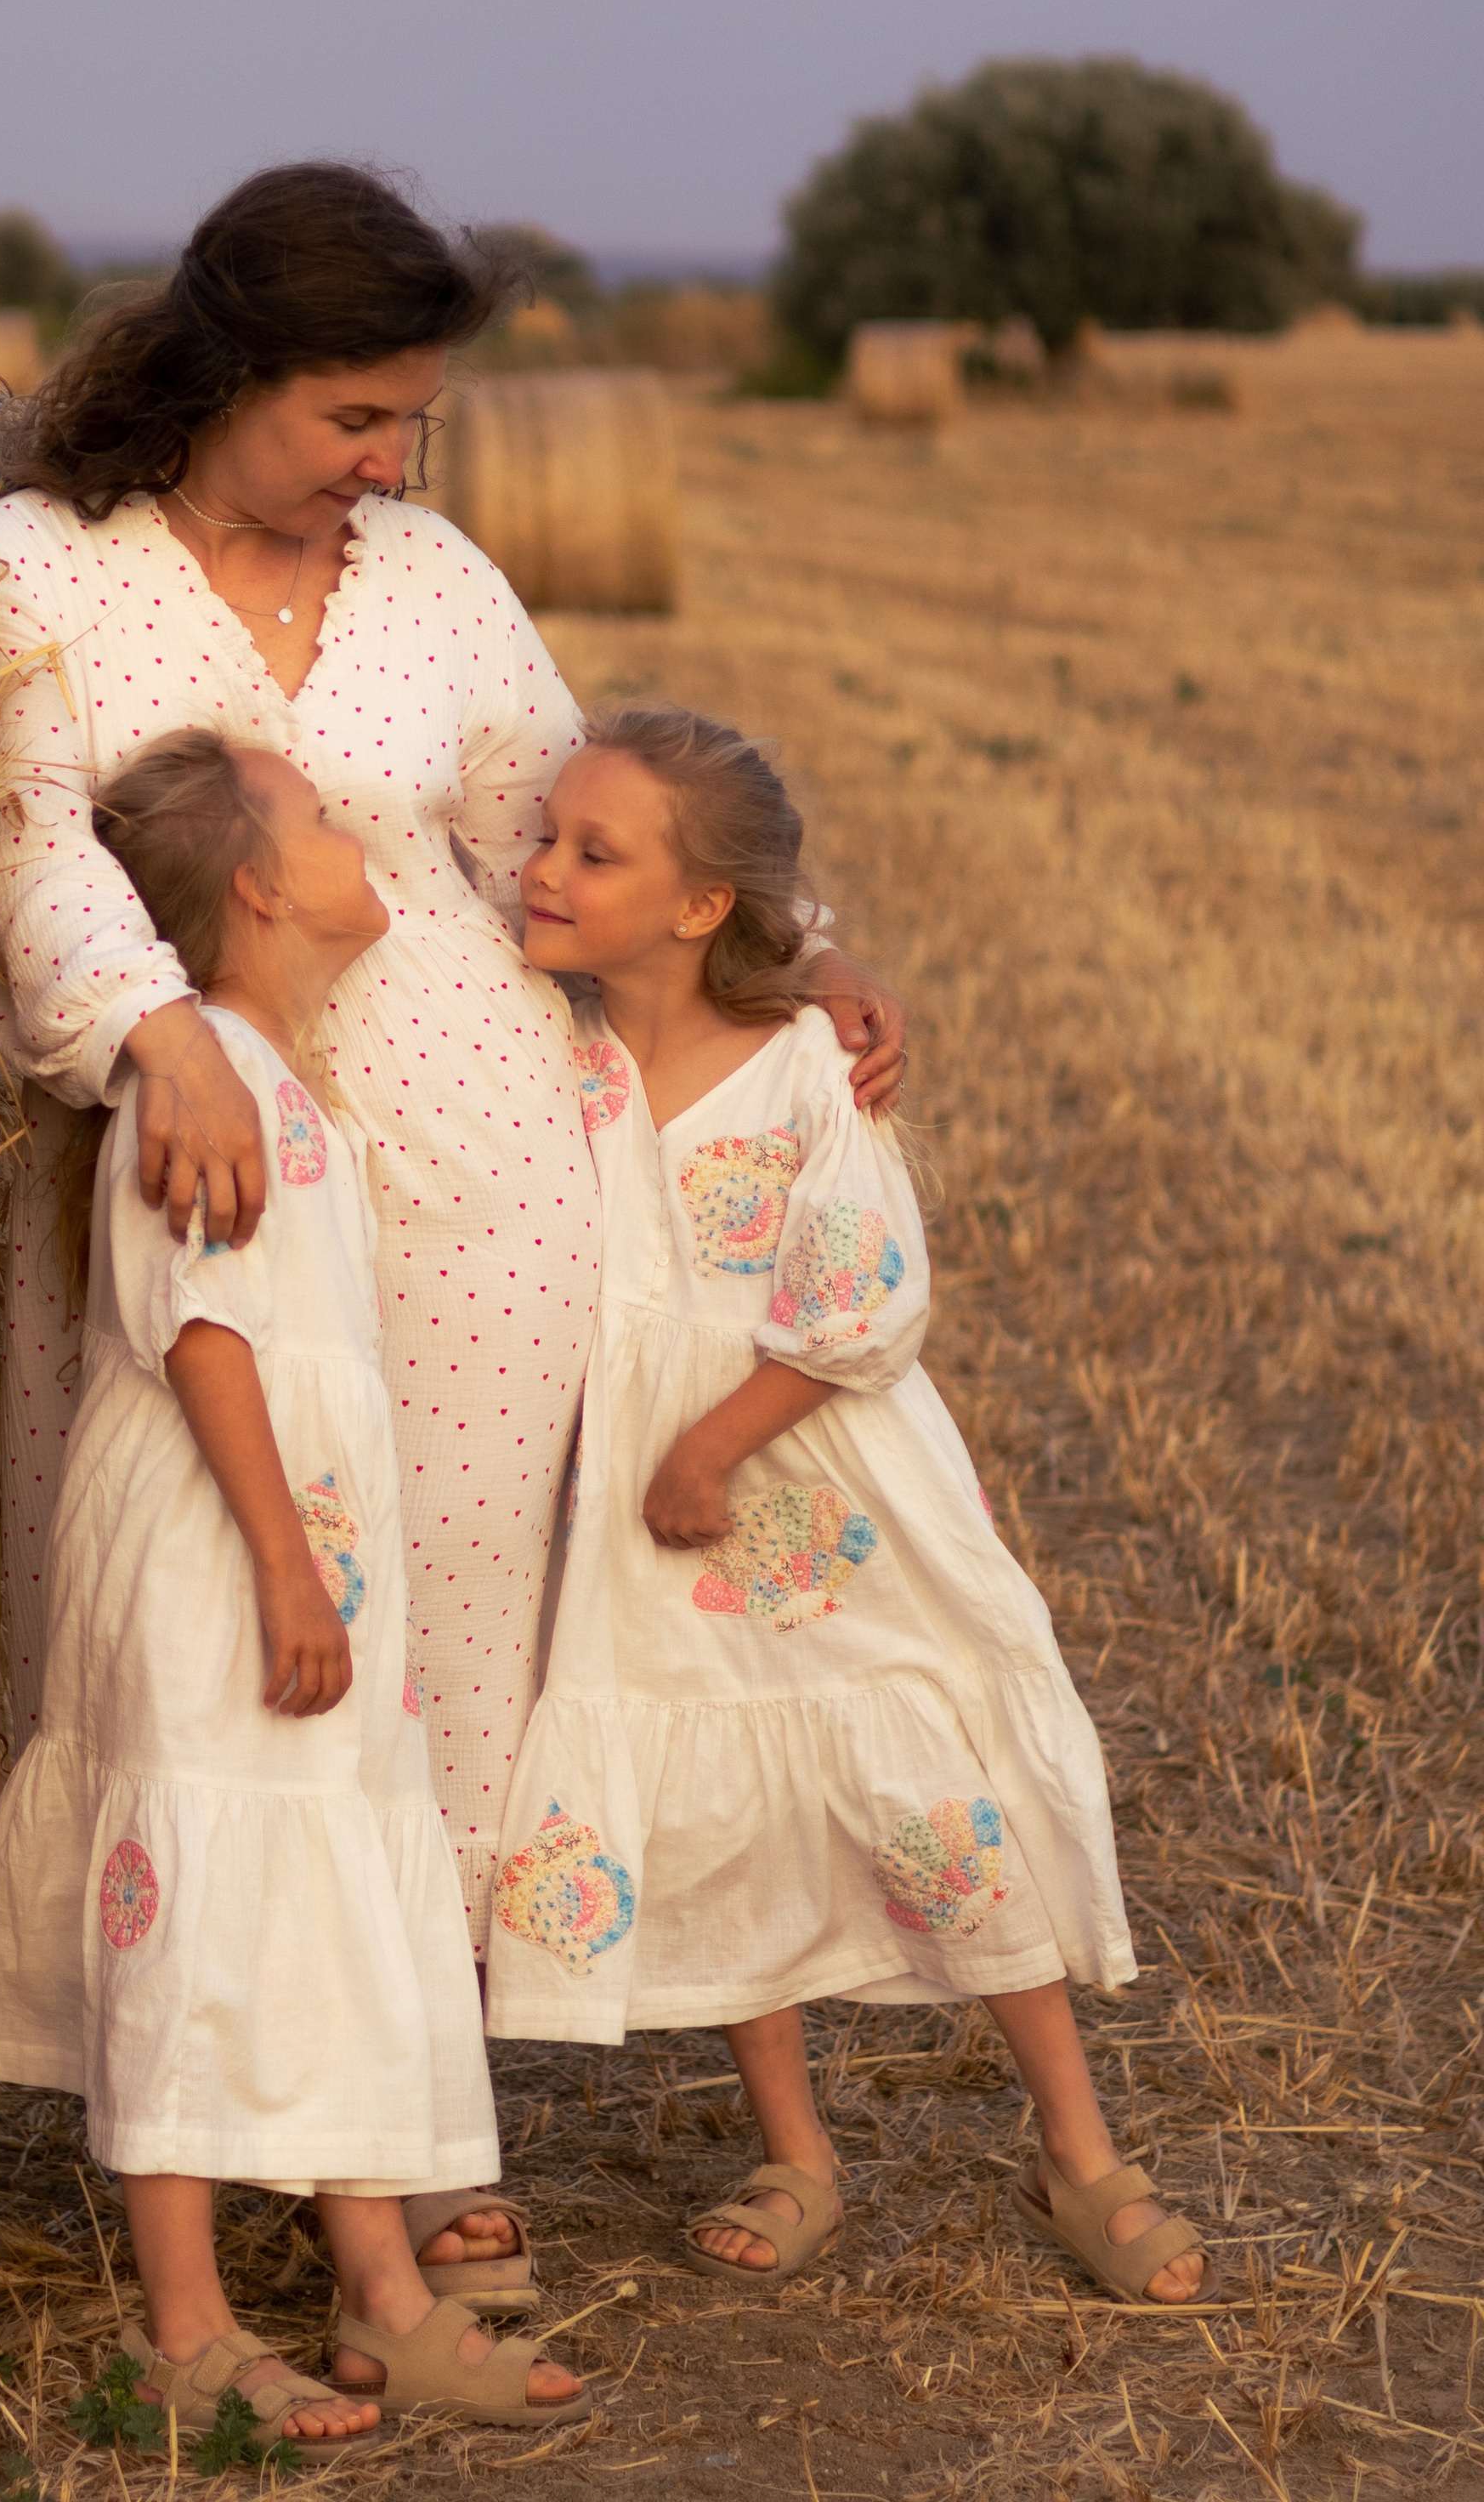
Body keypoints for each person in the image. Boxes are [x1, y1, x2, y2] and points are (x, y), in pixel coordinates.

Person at [0, 157, 903, 2296]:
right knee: (223, 1646)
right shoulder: (46, 563)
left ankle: (419, 2114)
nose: (389, 465)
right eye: (354, 419)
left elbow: (557, 817)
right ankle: (217, 2089)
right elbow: (25, 826)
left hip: (485, 1185)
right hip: (198, 1180)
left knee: (452, 1660)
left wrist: (783, 959)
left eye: (414, 424)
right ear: (225, 372)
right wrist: (151, 1035)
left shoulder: (433, 575)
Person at [484, 706, 1216, 2310]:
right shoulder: (552, 1053)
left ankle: (1081, 2154)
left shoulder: (811, 1065)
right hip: (640, 1512)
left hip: (819, 1494)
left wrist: (711, 1449)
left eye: (589, 853)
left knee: (935, 1803)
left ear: (697, 908)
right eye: (546, 836)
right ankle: (795, 2152)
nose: (538, 868)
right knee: (722, 1804)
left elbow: (865, 1297)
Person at [0, 729, 591, 2448]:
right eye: (315, 813)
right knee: (217, 1887)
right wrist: (287, 1563)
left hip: (292, 1563)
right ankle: (183, 2322)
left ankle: (381, 2297)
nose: (352, 824)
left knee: (314, 1897)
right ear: (251, 883)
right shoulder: (213, 1080)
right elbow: (210, 1337)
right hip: (221, 1562)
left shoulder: (278, 1083)